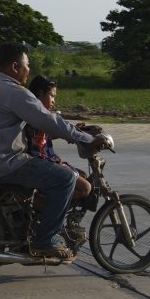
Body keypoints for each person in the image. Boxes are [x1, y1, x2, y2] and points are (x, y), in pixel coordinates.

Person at [0, 42, 109, 259]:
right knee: (65, 179)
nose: (28, 70)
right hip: (7, 162)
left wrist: (74, 132)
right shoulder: (13, 91)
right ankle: (46, 240)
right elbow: (47, 120)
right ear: (15, 66)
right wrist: (86, 138)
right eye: (27, 65)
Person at [24, 75, 95, 209]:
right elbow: (54, 127)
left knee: (83, 175)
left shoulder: (35, 113)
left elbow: (49, 134)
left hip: (47, 160)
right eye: (52, 96)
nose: (54, 101)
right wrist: (85, 138)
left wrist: (76, 131)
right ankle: (43, 203)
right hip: (43, 161)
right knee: (85, 188)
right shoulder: (38, 115)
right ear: (40, 94)